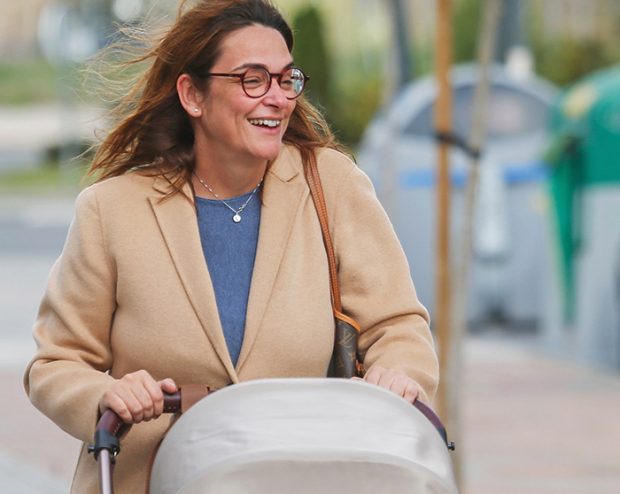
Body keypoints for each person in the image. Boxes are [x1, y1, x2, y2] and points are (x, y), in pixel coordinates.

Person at [24, 0, 439, 492]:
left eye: (286, 79)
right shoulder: (111, 210)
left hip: (301, 475)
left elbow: (397, 324)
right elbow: (56, 363)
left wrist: (395, 374)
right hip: (155, 479)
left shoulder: (333, 184)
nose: (278, 98)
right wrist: (107, 394)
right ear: (192, 95)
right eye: (252, 79)